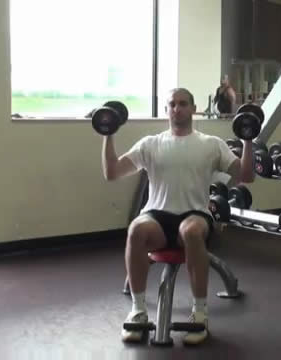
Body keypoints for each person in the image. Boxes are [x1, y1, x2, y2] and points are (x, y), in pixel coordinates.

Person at [101, 88, 255, 344]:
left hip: (195, 214)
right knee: (136, 230)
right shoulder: (150, 144)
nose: (177, 108)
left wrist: (249, 139)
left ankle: (200, 313)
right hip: (157, 217)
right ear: (166, 109)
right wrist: (108, 134)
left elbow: (246, 175)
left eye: (183, 104)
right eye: (172, 104)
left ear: (193, 109)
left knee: (190, 231)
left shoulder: (211, 144)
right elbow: (112, 172)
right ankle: (138, 311)